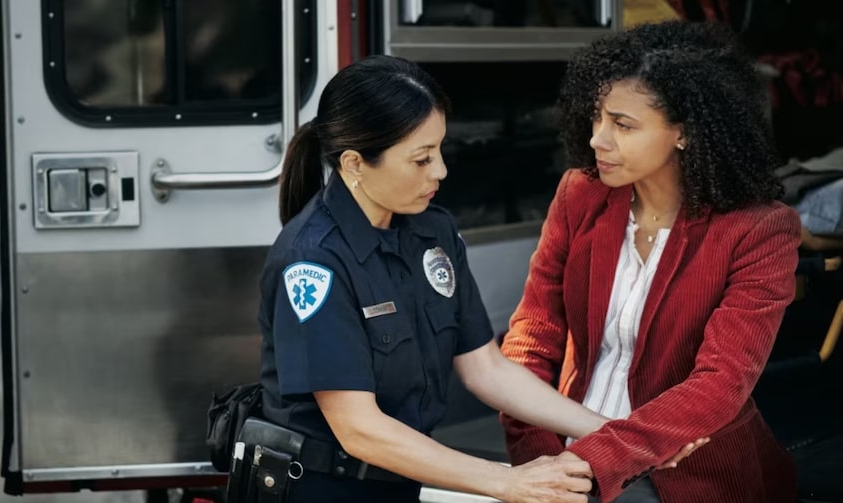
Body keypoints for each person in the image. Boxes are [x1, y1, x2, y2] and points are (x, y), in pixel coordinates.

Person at [244, 55, 700, 503]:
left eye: (440, 150)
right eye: (421, 159)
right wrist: (507, 482)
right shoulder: (313, 261)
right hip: (321, 488)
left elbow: (486, 368)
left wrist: (625, 436)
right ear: (355, 164)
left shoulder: (431, 230)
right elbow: (359, 429)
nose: (440, 171)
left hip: (398, 483)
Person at [499, 21, 801, 503]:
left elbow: (721, 384)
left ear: (684, 133)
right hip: (558, 456)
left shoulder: (759, 229)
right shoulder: (581, 194)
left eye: (623, 124)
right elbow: (533, 333)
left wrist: (586, 464)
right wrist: (537, 452)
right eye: (597, 117)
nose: (598, 139)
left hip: (688, 475)